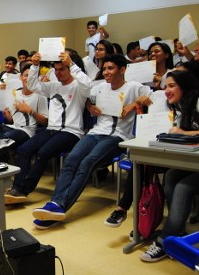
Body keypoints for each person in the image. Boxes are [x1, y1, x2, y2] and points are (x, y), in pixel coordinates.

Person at [32, 54, 153, 229]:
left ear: (123, 69)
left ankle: (60, 206)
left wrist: (134, 104)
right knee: (71, 160)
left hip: (117, 136)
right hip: (95, 133)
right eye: (104, 69)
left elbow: (152, 98)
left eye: (110, 68)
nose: (106, 72)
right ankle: (55, 203)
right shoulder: (101, 87)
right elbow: (87, 97)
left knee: (87, 163)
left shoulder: (134, 87)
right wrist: (90, 107)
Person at [5, 51, 91, 205]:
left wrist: (71, 64)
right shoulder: (53, 86)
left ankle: (24, 190)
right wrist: (35, 66)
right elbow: (31, 84)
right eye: (56, 70)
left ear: (70, 69)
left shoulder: (78, 87)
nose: (58, 73)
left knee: (43, 153)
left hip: (70, 132)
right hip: (52, 129)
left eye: (62, 69)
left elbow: (88, 84)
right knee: (23, 150)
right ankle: (16, 188)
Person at [140, 70, 199, 262]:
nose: (167, 91)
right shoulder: (180, 107)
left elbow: (183, 132)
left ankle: (166, 241)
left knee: (183, 187)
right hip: (193, 161)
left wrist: (181, 132)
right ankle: (177, 231)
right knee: (172, 176)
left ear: (185, 87)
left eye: (172, 86)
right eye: (165, 86)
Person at [0, 63, 48, 161]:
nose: (29, 78)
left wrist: (30, 111)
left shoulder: (40, 96)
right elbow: (10, 120)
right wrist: (8, 116)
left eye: (32, 76)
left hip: (26, 131)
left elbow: (44, 122)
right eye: (26, 75)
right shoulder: (14, 94)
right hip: (10, 127)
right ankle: (1, 139)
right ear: (21, 77)